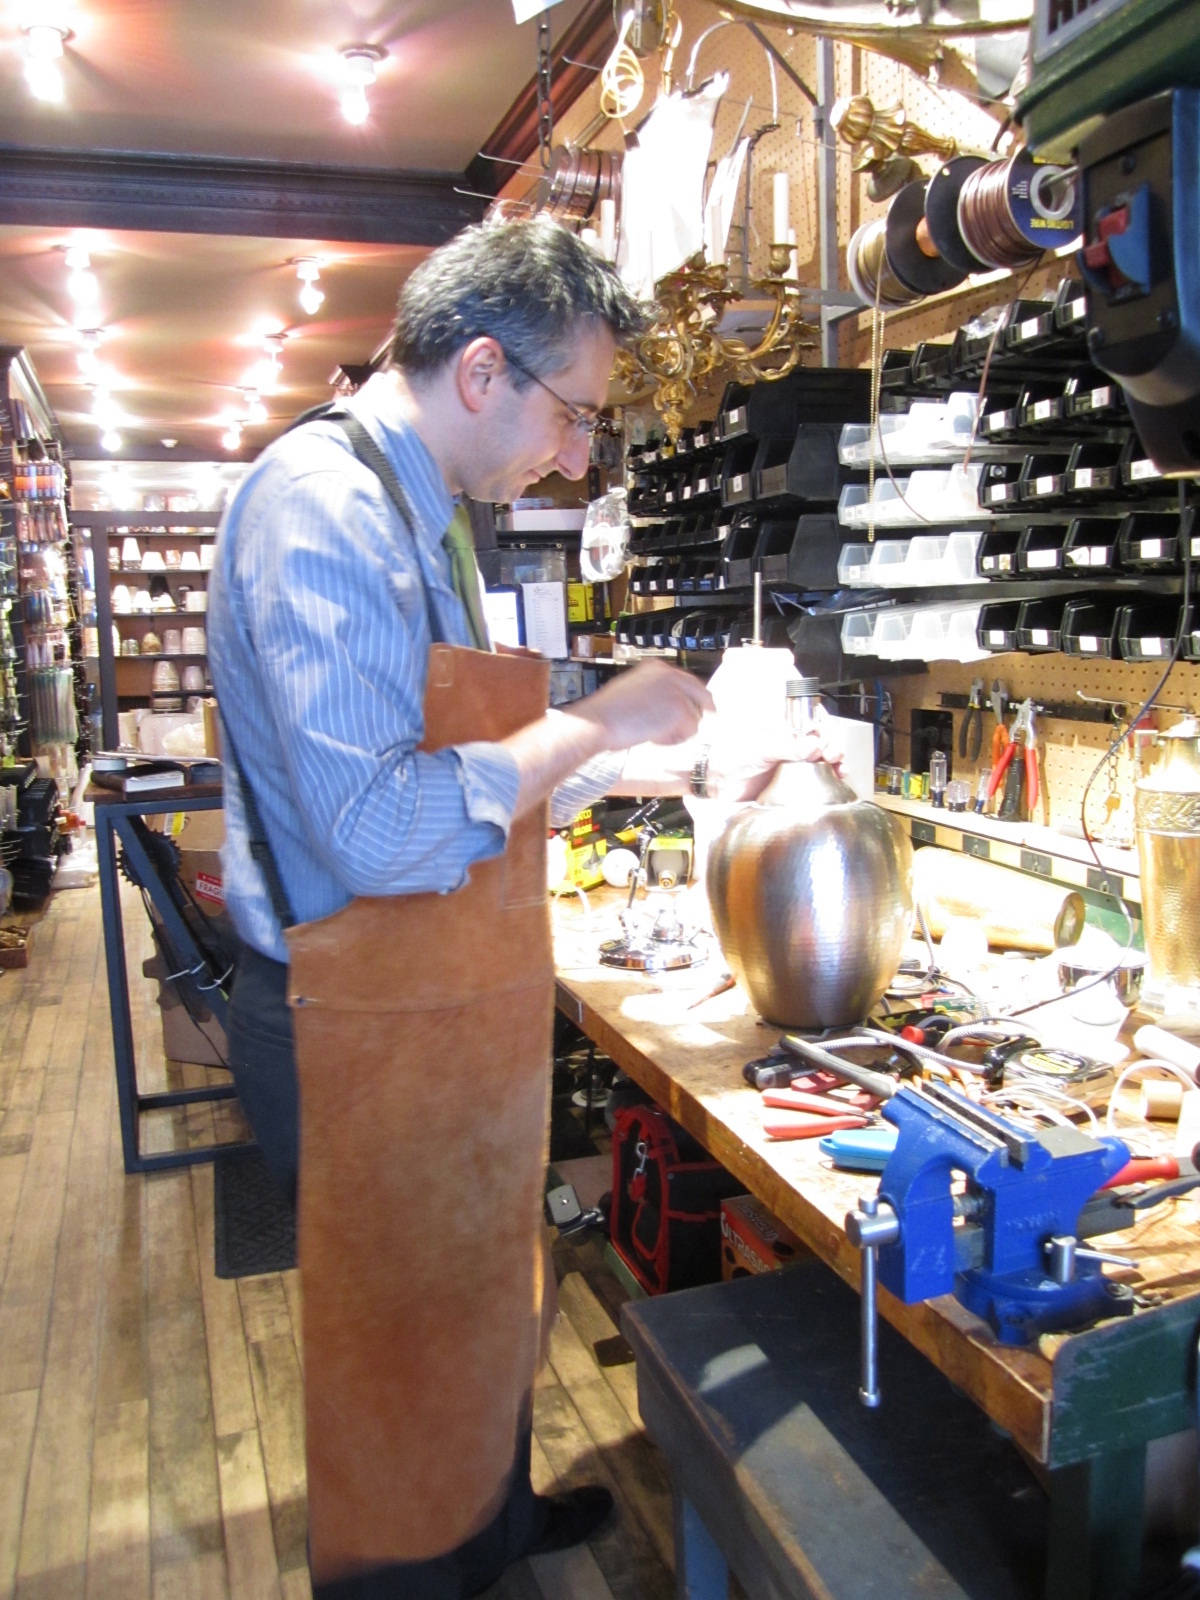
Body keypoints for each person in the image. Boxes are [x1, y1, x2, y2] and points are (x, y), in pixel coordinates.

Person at [208, 216, 826, 1599]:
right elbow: (382, 827)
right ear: (483, 368)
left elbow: (468, 758)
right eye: (574, 414)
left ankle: (483, 1530)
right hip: (348, 1009)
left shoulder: (422, 510)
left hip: (433, 993)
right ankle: (407, 1575)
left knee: (479, 1304)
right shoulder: (324, 507)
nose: (578, 457)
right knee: (395, 1355)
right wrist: (599, 720)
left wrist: (651, 757)